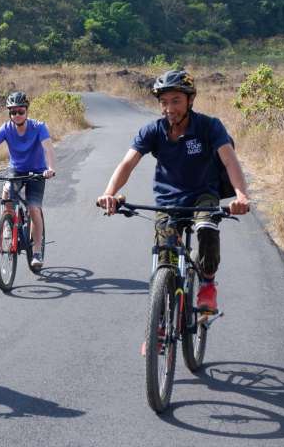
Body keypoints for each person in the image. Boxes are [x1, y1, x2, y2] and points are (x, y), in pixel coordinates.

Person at [96, 69, 250, 312]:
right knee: (164, 258)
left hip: (202, 196)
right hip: (167, 201)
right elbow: (127, 163)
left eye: (176, 101)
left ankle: (207, 284)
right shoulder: (153, 130)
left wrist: (241, 196)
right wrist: (109, 192)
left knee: (207, 228)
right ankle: (159, 324)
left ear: (190, 100)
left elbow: (230, 160)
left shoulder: (209, 127)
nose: (169, 108)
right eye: (164, 102)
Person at [0, 91, 56, 269]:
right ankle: (8, 224)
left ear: (27, 111)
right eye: (13, 112)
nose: (17, 115)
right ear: (9, 114)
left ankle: (37, 250)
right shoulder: (6, 128)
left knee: (33, 208)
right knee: (7, 192)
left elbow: (48, 149)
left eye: (20, 111)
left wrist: (50, 168)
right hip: (16, 169)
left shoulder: (39, 127)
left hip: (37, 172)